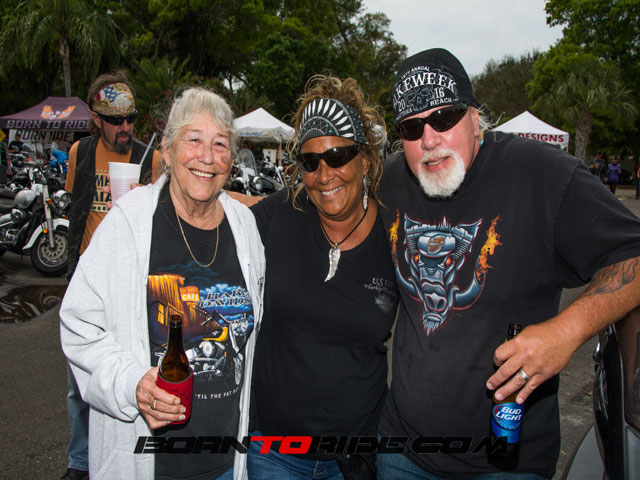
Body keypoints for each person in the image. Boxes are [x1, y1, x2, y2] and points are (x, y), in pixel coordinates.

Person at [375, 48, 640, 479]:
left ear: (474, 117)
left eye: (444, 118)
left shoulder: (542, 174)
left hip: (506, 461)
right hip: (402, 451)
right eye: (411, 127)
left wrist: (566, 331)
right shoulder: (390, 181)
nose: (429, 139)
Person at [60, 86, 265, 479]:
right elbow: (78, 323)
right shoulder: (128, 223)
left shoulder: (245, 228)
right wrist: (130, 383)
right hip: (145, 461)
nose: (207, 156)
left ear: (231, 160)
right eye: (194, 140)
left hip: (224, 463)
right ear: (167, 151)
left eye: (220, 144)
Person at [246, 76, 399, 479]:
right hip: (274, 454)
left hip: (355, 458)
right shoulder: (279, 217)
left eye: (338, 155)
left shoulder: (394, 236)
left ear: (365, 159)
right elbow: (220, 220)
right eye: (310, 162)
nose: (324, 173)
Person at [60, 72, 161, 480]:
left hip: (131, 283)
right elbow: (77, 210)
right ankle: (79, 461)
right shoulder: (80, 153)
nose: (125, 127)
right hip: (89, 279)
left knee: (129, 370)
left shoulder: (149, 158)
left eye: (131, 119)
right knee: (79, 380)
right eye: (116, 120)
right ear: (96, 119)